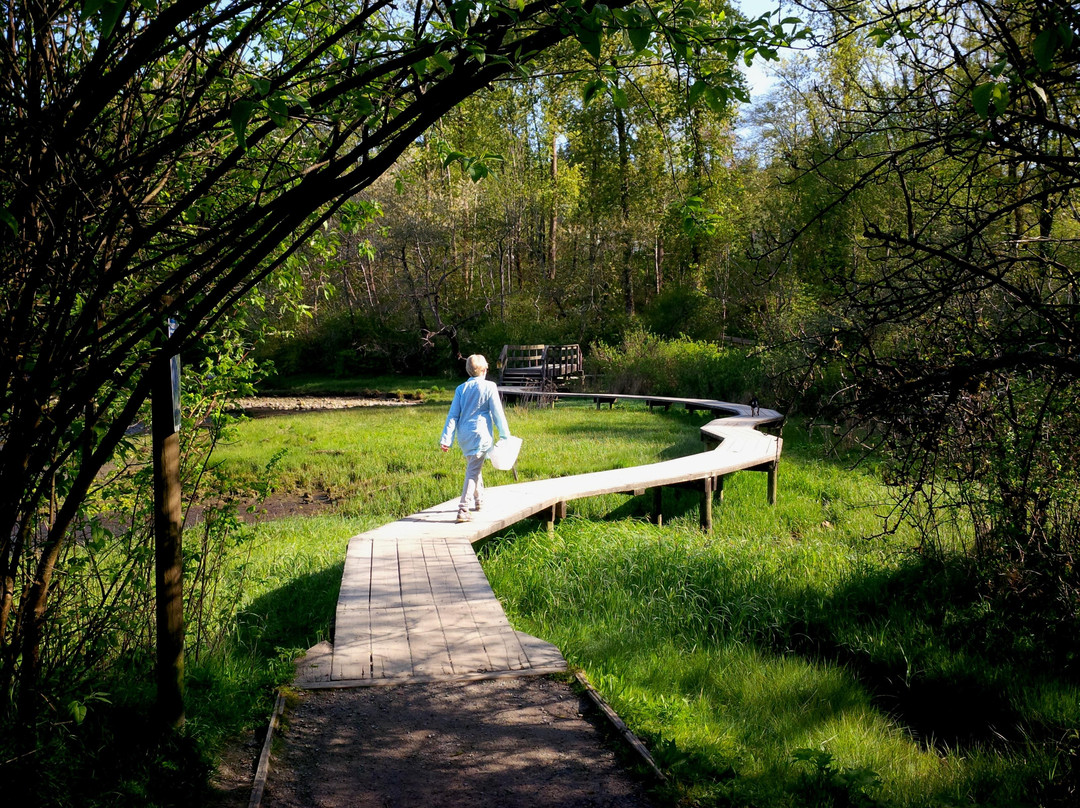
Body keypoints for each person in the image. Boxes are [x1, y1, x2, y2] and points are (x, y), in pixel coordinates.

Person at [440, 354, 511, 523]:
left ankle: (479, 501)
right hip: (480, 435)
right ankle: (463, 509)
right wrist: (505, 435)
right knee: (473, 471)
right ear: (485, 369)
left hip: (464, 436)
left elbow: (453, 416)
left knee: (474, 465)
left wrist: (446, 439)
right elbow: (497, 413)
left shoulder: (460, 389)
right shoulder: (489, 386)